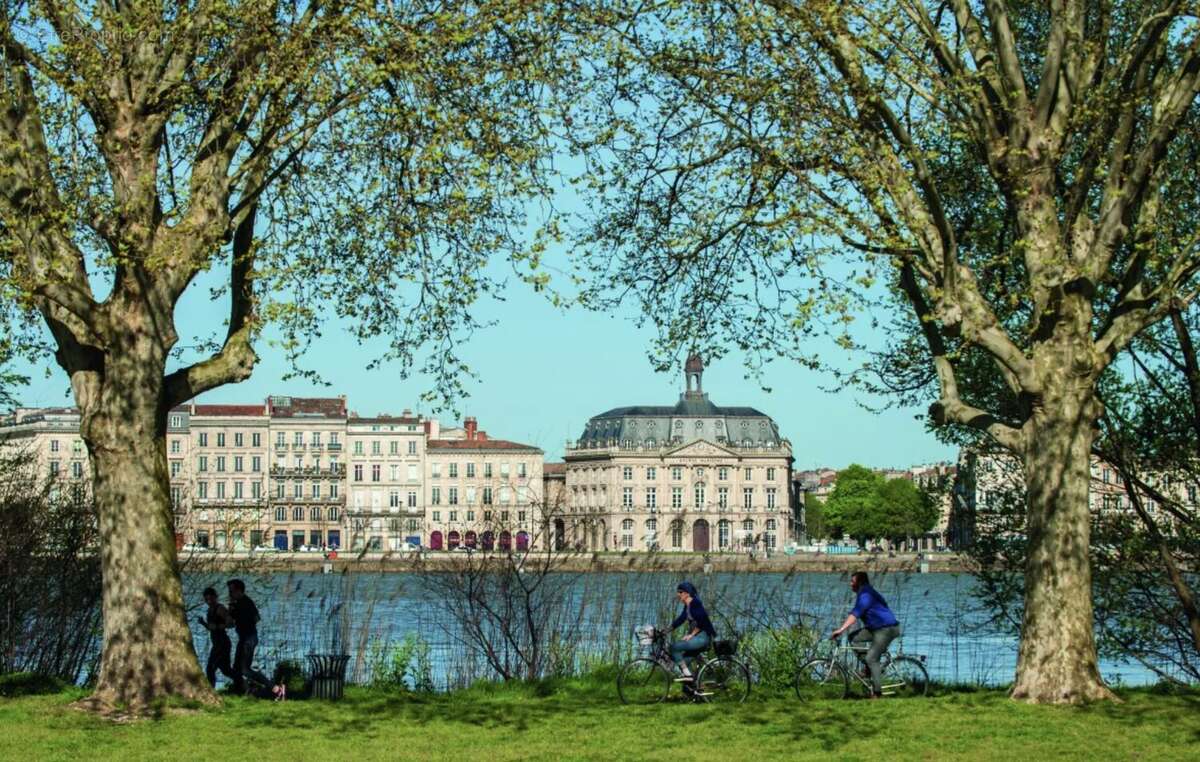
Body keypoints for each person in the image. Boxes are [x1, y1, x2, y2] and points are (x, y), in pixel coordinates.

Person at [830, 570, 901, 698]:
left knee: (871, 658)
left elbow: (854, 615)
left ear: (860, 583)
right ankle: (870, 669)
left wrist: (840, 630)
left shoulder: (866, 595)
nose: (850, 584)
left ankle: (877, 693)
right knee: (853, 637)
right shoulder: (867, 592)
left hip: (886, 629)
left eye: (852, 581)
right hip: (875, 628)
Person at [227, 578, 272, 694]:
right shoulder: (236, 604)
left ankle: (273, 687)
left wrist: (245, 623)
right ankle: (245, 690)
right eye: (229, 591)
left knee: (244, 669)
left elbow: (256, 618)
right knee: (237, 668)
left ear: (239, 590)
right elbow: (230, 620)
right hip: (244, 638)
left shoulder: (246, 602)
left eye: (231, 591)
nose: (230, 594)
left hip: (249, 638)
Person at [667, 581, 717, 680]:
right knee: (684, 664)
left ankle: (688, 676)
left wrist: (691, 635)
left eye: (680, 592)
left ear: (687, 593)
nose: (678, 594)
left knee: (674, 647)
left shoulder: (695, 603)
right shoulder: (688, 606)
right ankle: (695, 687)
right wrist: (666, 630)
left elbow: (702, 622)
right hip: (698, 637)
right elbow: (680, 620)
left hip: (703, 637)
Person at [197, 587, 237, 688]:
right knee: (225, 670)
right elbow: (212, 628)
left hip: (222, 643)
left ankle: (211, 690)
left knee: (210, 668)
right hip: (216, 642)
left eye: (211, 599)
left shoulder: (220, 608)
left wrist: (219, 626)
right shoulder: (209, 610)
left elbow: (231, 623)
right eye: (206, 600)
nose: (209, 602)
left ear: (215, 597)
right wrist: (203, 624)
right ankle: (242, 684)